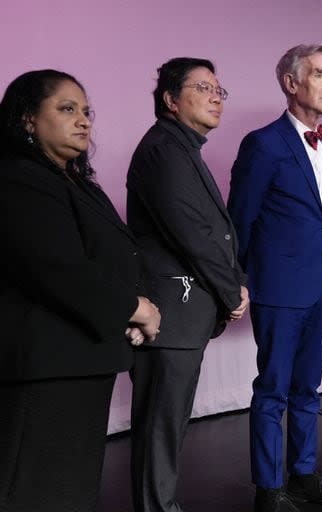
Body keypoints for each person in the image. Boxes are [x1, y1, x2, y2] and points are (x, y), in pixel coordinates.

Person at [0, 70, 160, 512]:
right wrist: (136, 309)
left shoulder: (79, 185)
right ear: (28, 119)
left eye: (87, 111)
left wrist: (128, 314)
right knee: (37, 493)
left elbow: (118, 256)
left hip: (82, 360)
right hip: (46, 370)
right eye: (67, 109)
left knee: (69, 489)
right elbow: (59, 268)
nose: (84, 121)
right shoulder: (19, 177)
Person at [228, 45, 322, 512]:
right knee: (273, 390)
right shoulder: (262, 144)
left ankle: (302, 475)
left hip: (321, 286)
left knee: (309, 389)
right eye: (320, 74)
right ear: (291, 82)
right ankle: (269, 489)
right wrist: (235, 279)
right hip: (278, 288)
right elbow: (239, 219)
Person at [126, 58, 249, 512]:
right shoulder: (163, 150)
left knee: (167, 427)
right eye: (204, 88)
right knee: (160, 428)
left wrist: (233, 281)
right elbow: (191, 233)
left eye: (220, 89)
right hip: (169, 316)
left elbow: (209, 232)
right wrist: (230, 289)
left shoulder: (181, 148)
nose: (217, 96)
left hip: (185, 314)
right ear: (171, 100)